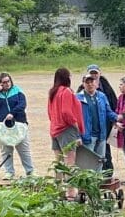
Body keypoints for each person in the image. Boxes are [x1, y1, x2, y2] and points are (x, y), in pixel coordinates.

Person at [0, 72, 34, 179]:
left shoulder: (17, 91)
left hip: (19, 123)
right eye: (4, 82)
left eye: (8, 81)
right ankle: (9, 172)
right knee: (6, 150)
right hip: (1, 126)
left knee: (24, 149)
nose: (7, 84)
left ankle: (30, 171)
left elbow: (22, 104)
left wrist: (13, 113)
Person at [47, 68, 84, 196]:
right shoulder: (66, 91)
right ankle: (71, 193)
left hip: (55, 130)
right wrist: (75, 125)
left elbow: (49, 113)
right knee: (70, 163)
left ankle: (58, 191)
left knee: (58, 162)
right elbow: (67, 112)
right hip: (66, 130)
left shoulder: (53, 92)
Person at [80, 65, 118, 172]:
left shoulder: (103, 93)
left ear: (99, 74)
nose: (90, 83)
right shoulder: (78, 97)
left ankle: (102, 180)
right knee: (88, 161)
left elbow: (110, 109)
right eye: (88, 81)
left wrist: (117, 119)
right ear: (83, 83)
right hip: (88, 134)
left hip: (103, 131)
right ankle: (88, 184)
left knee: (102, 158)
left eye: (95, 74)